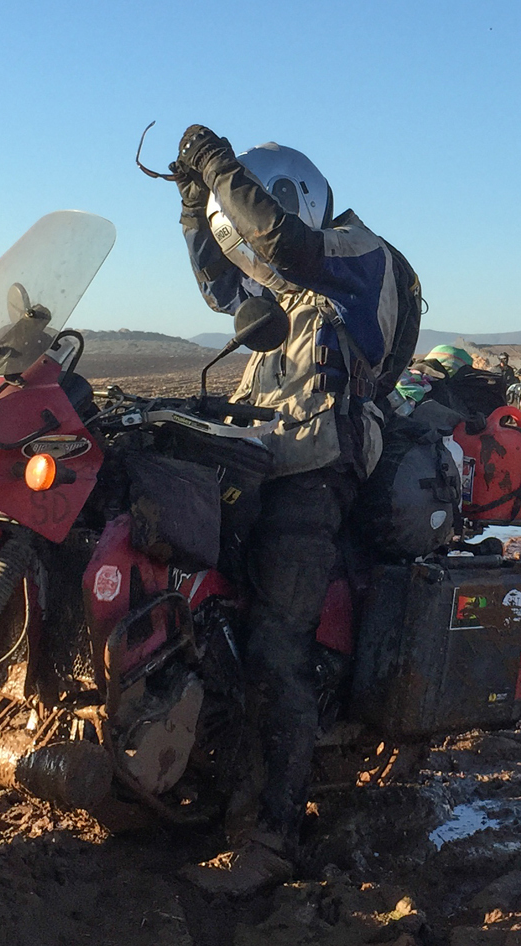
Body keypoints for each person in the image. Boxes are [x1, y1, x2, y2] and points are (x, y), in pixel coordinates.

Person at [169, 124, 416, 896]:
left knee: (278, 643)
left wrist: (218, 166)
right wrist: (191, 205)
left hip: (317, 468)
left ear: (294, 194)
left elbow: (279, 242)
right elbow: (221, 288)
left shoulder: (355, 251)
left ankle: (276, 836)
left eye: (251, 198)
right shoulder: (290, 293)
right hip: (255, 460)